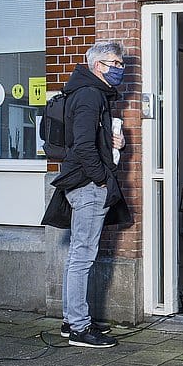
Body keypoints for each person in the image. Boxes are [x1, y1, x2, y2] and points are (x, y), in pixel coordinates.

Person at [42, 42, 132, 347]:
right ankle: (80, 328)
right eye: (115, 63)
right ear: (97, 65)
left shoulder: (87, 92)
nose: (120, 68)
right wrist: (102, 180)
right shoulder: (90, 94)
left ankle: (73, 321)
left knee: (78, 257)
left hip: (85, 184)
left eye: (121, 63)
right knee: (82, 258)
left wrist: (113, 144)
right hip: (88, 186)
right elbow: (82, 146)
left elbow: (88, 140)